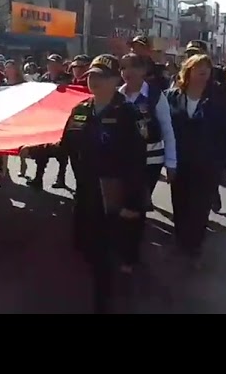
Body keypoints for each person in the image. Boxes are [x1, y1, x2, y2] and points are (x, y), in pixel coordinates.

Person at [54, 54, 147, 313]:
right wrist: (31, 151)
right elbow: (64, 147)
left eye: (102, 76)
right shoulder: (81, 110)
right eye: (92, 75)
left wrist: (131, 202)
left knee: (104, 255)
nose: (94, 80)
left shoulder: (129, 114)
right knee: (83, 246)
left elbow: (137, 163)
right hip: (85, 192)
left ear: (116, 79)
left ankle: (104, 302)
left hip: (112, 194)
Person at [165, 54, 226, 266]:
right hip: (179, 161)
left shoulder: (218, 98)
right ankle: (181, 241)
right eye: (199, 68)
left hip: (207, 163)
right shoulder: (172, 96)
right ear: (188, 71)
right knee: (180, 203)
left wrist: (223, 162)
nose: (203, 73)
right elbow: (164, 127)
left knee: (199, 206)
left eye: (207, 69)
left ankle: (194, 245)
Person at [118, 52, 177, 271]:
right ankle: (124, 246)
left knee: (137, 204)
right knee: (125, 204)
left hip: (151, 161)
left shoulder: (155, 96)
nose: (128, 73)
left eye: (133, 67)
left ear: (144, 71)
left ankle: (131, 254)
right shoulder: (119, 95)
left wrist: (172, 163)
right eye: (123, 68)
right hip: (124, 161)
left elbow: (167, 129)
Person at [27, 53, 72, 189]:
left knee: (62, 151)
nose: (50, 66)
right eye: (49, 63)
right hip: (46, 117)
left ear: (60, 65)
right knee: (41, 149)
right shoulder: (44, 78)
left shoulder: (67, 79)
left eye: (53, 63)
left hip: (62, 117)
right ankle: (38, 178)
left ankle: (61, 178)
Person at [0, 60, 27, 179]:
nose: (8, 70)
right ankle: (4, 168)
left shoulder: (23, 84)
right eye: (7, 68)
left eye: (10, 67)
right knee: (4, 142)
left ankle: (23, 163)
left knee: (20, 144)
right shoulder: (3, 84)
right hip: (6, 115)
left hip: (19, 115)